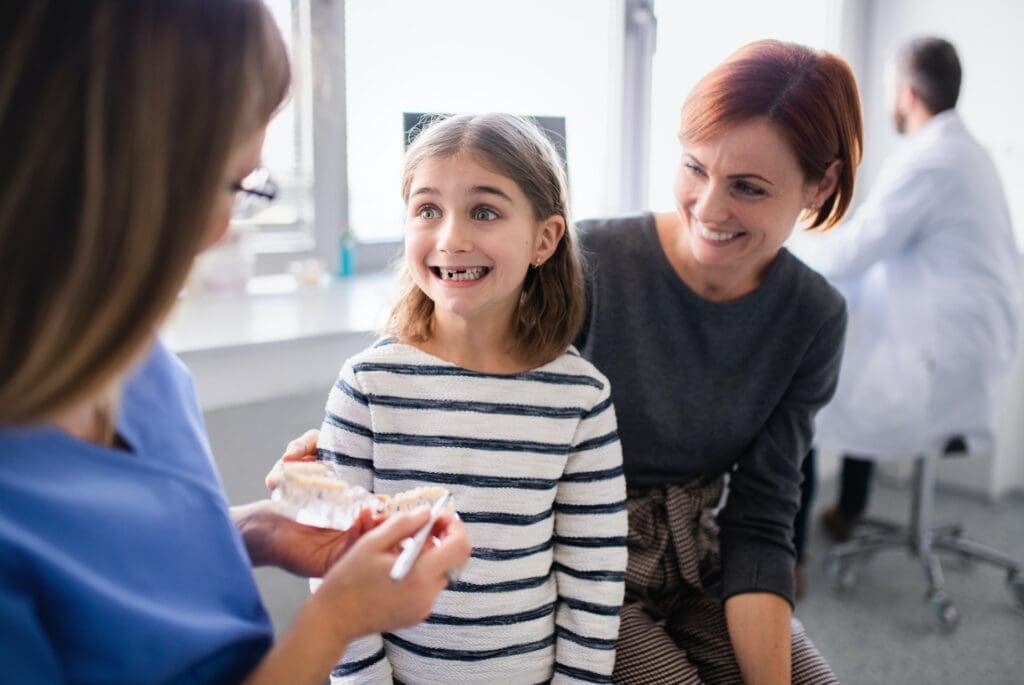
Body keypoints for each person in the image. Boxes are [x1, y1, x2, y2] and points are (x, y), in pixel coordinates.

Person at [0, 2, 470, 684]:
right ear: (126, 181)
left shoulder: (142, 364)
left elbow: (125, 551)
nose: (224, 230)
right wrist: (334, 620)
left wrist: (258, 530)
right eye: (237, 184)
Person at [296, 113, 627, 684]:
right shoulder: (369, 385)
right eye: (428, 210)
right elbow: (335, 568)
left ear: (544, 240)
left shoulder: (581, 398)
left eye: (485, 211)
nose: (450, 238)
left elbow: (593, 577)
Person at [574, 40, 861, 684]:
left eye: (748, 188)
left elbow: (761, 516)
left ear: (822, 185)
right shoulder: (589, 262)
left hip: (697, 560)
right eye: (695, 169)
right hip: (579, 559)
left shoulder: (812, 317)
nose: (708, 209)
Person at [791, 37, 1021, 547]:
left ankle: (796, 552)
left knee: (810, 394)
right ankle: (848, 511)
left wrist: (783, 251)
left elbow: (856, 250)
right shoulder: (967, 153)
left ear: (909, 94)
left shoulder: (930, 160)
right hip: (975, 347)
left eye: (892, 90)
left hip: (943, 360)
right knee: (848, 362)